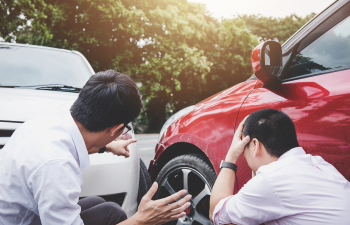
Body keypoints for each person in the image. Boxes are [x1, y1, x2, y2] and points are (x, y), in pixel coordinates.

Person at [0, 70, 191, 225]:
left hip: (23, 215)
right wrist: (142, 220)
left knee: (101, 205)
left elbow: (77, 145)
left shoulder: (46, 124)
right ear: (116, 128)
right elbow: (57, 162)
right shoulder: (57, 165)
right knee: (114, 215)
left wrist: (107, 147)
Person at [209, 108, 350, 225]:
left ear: (254, 145)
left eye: (243, 152)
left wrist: (231, 156)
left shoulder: (270, 180)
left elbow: (216, 212)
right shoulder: (321, 165)